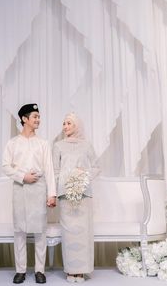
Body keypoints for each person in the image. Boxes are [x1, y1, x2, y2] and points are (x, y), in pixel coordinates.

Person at [2, 103, 56, 284]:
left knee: (40, 231)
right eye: (34, 117)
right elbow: (5, 166)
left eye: (39, 117)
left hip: (39, 188)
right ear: (24, 119)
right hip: (20, 189)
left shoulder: (43, 143)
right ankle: (21, 270)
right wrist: (22, 176)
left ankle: (40, 270)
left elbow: (49, 169)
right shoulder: (12, 143)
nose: (38, 119)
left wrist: (52, 194)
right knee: (20, 231)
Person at [52, 112, 100, 283]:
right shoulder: (58, 146)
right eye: (64, 123)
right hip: (66, 194)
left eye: (69, 123)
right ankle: (71, 270)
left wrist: (83, 176)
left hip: (83, 194)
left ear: (77, 125)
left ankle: (82, 271)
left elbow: (96, 167)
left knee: (83, 232)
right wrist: (63, 185)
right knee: (69, 233)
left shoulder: (86, 146)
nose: (65, 127)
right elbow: (55, 171)